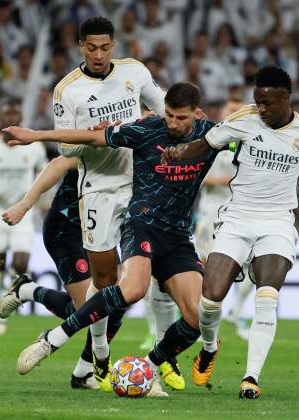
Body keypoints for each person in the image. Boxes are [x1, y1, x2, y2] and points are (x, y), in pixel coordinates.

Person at [3, 82, 217, 397]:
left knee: (198, 317)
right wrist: (38, 135)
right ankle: (52, 340)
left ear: (196, 114)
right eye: (169, 115)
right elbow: (90, 137)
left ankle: (146, 367)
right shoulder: (145, 130)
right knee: (131, 289)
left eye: (180, 118)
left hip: (177, 235)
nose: (172, 123)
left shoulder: (213, 135)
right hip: (140, 224)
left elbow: (256, 131)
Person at [161, 66, 299, 398]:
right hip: (237, 217)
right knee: (210, 300)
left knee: (267, 296)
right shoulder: (245, 119)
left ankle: (251, 378)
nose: (261, 108)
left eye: (267, 102)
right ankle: (209, 347)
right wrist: (180, 152)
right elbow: (206, 143)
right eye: (257, 101)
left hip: (278, 221)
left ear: (286, 97)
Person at [49, 16, 180, 389]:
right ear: (80, 47)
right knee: (104, 279)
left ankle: (162, 358)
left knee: (151, 270)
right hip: (97, 189)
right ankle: (99, 352)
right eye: (91, 47)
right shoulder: (67, 90)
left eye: (105, 47)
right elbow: (64, 147)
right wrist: (94, 138)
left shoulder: (134, 73)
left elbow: (163, 110)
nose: (99, 54)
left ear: (114, 45)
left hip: (140, 185)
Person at [0, 156, 97, 389]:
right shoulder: (104, 139)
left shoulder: (144, 145)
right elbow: (59, 163)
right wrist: (24, 205)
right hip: (67, 229)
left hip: (99, 230)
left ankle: (27, 290)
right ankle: (83, 369)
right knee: (90, 308)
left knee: (112, 302)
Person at [0, 99, 47, 336]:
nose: (11, 119)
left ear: (21, 118)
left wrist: (41, 202)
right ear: (1, 119)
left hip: (22, 210)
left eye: (15, 114)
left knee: (21, 263)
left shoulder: (34, 147)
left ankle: (11, 295)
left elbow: (43, 175)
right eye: (7, 115)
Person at [194, 98, 253, 341]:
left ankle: (236, 311)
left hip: (241, 212)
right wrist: (222, 181)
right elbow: (195, 174)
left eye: (240, 111)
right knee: (206, 265)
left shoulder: (250, 143)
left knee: (250, 265)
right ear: (223, 113)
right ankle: (197, 319)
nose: (236, 114)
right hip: (211, 211)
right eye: (231, 110)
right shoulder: (214, 139)